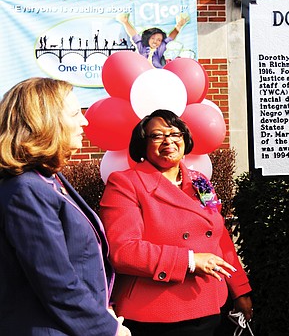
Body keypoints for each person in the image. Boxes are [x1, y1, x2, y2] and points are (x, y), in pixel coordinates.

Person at [99, 109, 252, 336]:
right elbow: (123, 250)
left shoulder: (200, 181)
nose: (168, 141)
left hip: (210, 303)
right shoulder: (125, 184)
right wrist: (189, 261)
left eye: (175, 134)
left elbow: (218, 234)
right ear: (143, 144)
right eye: (157, 136)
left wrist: (239, 289)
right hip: (157, 312)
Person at [0, 78, 131, 336]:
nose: (84, 121)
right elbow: (55, 281)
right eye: (74, 114)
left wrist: (103, 308)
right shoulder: (26, 189)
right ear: (44, 123)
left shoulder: (49, 179)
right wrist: (107, 329)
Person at [116, 12, 190, 68]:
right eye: (153, 38)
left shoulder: (160, 49)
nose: (155, 42)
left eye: (159, 40)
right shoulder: (142, 47)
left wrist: (179, 26)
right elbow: (134, 35)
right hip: (143, 73)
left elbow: (170, 37)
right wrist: (125, 22)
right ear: (148, 38)